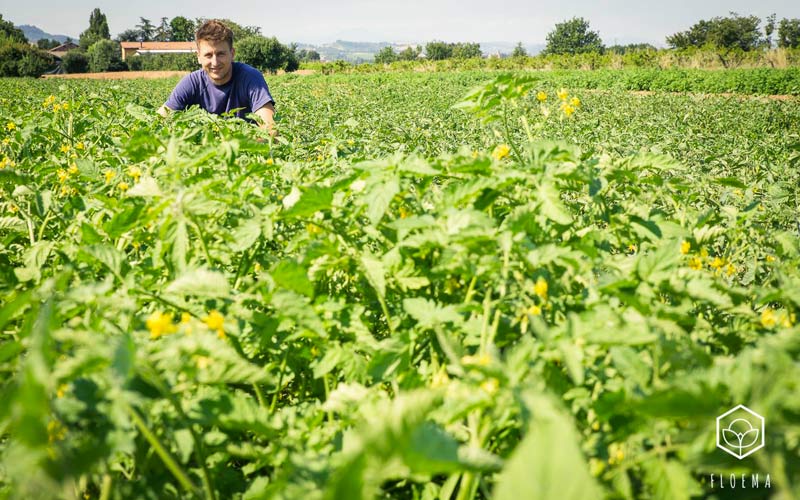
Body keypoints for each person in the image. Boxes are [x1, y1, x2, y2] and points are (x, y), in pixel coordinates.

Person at [157, 20, 276, 134]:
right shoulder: (192, 83)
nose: (215, 62)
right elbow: (157, 121)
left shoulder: (250, 78)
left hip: (246, 150)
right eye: (208, 55)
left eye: (221, 54)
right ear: (198, 57)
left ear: (232, 54)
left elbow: (270, 131)